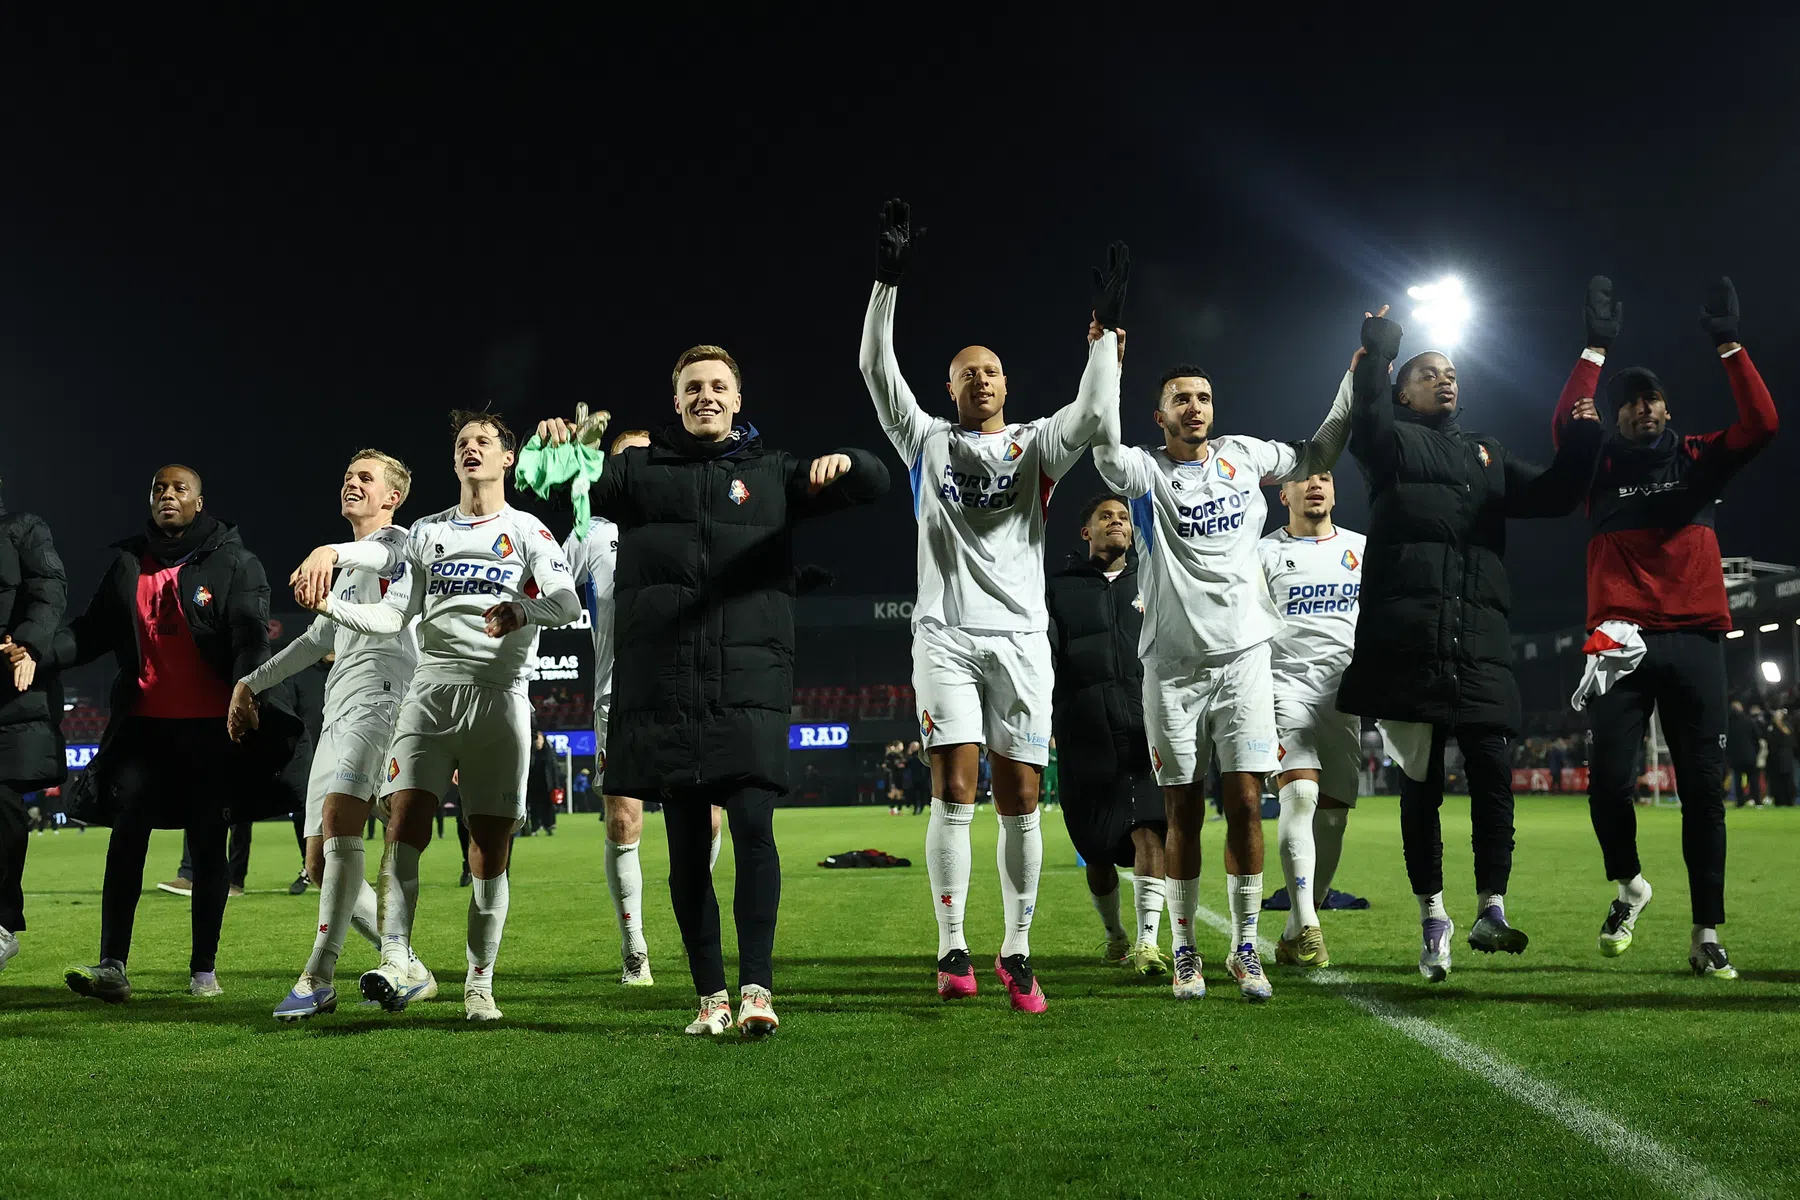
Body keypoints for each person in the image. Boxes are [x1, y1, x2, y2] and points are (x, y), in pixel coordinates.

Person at [540, 342, 888, 1037]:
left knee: (755, 829)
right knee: (687, 848)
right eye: (692, 386)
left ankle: (757, 987)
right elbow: (553, 489)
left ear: (736, 400)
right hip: (665, 686)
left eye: (718, 385)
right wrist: (555, 450)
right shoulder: (636, 473)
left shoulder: (772, 472)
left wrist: (851, 461)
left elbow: (873, 485)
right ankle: (711, 998)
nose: (705, 395)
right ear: (675, 402)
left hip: (748, 682)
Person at [859, 199, 1120, 1013]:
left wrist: (1106, 335)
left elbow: (1094, 414)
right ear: (948, 387)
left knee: (1021, 799)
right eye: (967, 370)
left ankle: (1017, 950)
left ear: (1008, 384)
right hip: (945, 636)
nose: (981, 378)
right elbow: (875, 368)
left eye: (992, 370)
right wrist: (887, 279)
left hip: (1021, 640)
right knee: (954, 789)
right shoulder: (926, 441)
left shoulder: (1037, 443)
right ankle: (951, 949)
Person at [1337, 306, 1604, 983]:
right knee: (1420, 787)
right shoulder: (1391, 442)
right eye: (1428, 374)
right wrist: (1381, 347)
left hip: (1480, 645)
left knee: (1492, 772)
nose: (1445, 381)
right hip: (1408, 646)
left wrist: (1581, 443)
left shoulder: (1487, 454)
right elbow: (1361, 422)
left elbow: (1555, 494)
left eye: (1451, 374)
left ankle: (1492, 905)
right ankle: (1434, 917)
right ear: (1403, 392)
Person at [1093, 328, 1355, 1004]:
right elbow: (1099, 444)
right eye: (1180, 399)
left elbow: (1321, 450)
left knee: (1243, 804)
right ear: (1160, 416)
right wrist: (1105, 360)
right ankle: (1185, 951)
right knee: (1181, 811)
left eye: (1203, 397)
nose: (1194, 407)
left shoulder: (1244, 456)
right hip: (1173, 670)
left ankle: (1244, 948)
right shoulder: (1145, 472)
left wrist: (1359, 372)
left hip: (1245, 659)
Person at [296, 413, 581, 1021]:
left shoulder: (528, 529)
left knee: (489, 848)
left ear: (508, 458)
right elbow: (391, 617)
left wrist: (522, 609)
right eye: (461, 444)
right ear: (454, 463)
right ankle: (397, 960)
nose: (471, 449)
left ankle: (480, 982)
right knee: (403, 829)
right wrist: (332, 605)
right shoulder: (426, 533)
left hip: (499, 697)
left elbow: (566, 601)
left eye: (483, 442)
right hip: (429, 697)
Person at [1565, 277, 1778, 979]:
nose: (1642, 408)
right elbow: (1569, 424)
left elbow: (1763, 423)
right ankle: (1630, 886)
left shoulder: (1698, 458)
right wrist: (1595, 348)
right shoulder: (1596, 465)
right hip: (1615, 639)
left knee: (1703, 794)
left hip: (1695, 639)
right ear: (1617, 415)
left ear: (1667, 407)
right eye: (1628, 401)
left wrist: (1730, 343)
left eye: (1651, 397)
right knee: (1607, 785)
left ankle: (1706, 933)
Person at [53, 465, 284, 1001]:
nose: (168, 496)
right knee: (125, 842)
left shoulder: (236, 563)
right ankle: (112, 964)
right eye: (159, 488)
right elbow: (90, 634)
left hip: (210, 731)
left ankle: (203, 969)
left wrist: (247, 689)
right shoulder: (128, 564)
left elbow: (251, 636)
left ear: (200, 503)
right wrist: (36, 652)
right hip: (143, 731)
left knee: (207, 849)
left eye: (180, 489)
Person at [233, 449, 438, 1020]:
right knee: (321, 864)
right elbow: (313, 641)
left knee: (343, 818)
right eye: (347, 476)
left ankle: (317, 975)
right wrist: (250, 683)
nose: (352, 483)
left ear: (391, 497)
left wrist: (326, 561)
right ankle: (409, 967)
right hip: (338, 711)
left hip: (383, 703)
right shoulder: (349, 567)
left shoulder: (399, 546)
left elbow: (386, 616)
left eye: (365, 479)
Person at [559, 426, 721, 987]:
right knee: (623, 819)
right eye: (626, 458)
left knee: (710, 815)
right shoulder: (591, 532)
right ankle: (634, 946)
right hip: (618, 696)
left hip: (689, 689)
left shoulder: (687, 522)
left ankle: (693, 925)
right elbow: (548, 589)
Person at [1045, 495, 1168, 977]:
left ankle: (1148, 942)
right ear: (1086, 532)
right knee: (1094, 846)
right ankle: (1115, 934)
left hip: (1144, 725)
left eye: (1124, 518)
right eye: (1105, 517)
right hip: (1083, 728)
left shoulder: (1155, 577)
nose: (1117, 523)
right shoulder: (1058, 589)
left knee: (1149, 828)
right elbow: (1045, 656)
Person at [1255, 469, 1364, 970]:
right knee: (1299, 794)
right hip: (1284, 688)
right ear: (1284, 495)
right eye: (1302, 480)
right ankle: (1312, 926)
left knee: (1335, 814)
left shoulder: (1363, 549)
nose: (1315, 486)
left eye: (1324, 478)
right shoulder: (1263, 553)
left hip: (1346, 693)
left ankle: (1296, 928)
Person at [0, 480, 68, 976]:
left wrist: (28, 644)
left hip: (9, 691)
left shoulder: (22, 530)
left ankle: (1, 926)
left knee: (1, 804)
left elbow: (48, 592)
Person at [1726, 700, 1760, 808]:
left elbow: (1728, 742)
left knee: (1738, 779)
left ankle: (1740, 802)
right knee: (1753, 779)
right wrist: (1755, 752)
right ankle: (1757, 801)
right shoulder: (1748, 721)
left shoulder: (1729, 723)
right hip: (1750, 755)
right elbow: (1756, 737)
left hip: (1736, 757)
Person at [525, 728, 558, 835]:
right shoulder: (530, 754)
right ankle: (535, 827)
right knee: (534, 807)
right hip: (533, 785)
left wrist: (556, 785)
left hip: (546, 785)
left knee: (548, 806)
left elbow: (554, 770)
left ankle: (548, 825)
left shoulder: (548, 754)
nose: (537, 742)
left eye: (539, 739)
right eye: (535, 740)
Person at [1765, 710, 1795, 808]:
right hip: (1776, 759)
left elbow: (1792, 742)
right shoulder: (1772, 728)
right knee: (1778, 781)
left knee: (1788, 781)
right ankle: (1780, 801)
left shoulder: (1787, 727)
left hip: (1786, 758)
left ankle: (1789, 801)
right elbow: (1770, 743)